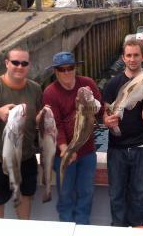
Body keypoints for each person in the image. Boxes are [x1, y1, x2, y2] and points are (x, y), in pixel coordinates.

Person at [0, 47, 42, 219]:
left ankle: (23, 229)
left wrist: (44, 118)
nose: (20, 66)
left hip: (26, 155)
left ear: (29, 65)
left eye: (24, 63)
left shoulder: (35, 89)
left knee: (26, 195)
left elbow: (36, 120)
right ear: (6, 63)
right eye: (15, 62)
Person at [102, 39, 143, 227]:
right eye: (129, 55)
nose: (132, 59)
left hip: (142, 148)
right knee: (116, 196)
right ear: (123, 58)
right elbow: (106, 113)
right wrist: (107, 120)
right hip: (117, 149)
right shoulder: (113, 84)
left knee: (140, 197)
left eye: (136, 55)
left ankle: (139, 230)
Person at [43, 51, 102, 224]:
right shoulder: (50, 93)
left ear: (76, 68)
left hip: (87, 151)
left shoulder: (87, 84)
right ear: (55, 71)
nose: (67, 72)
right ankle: (67, 228)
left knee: (86, 193)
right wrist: (65, 149)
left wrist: (99, 110)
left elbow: (100, 109)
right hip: (63, 153)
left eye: (70, 68)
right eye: (62, 69)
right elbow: (55, 125)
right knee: (66, 195)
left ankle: (82, 228)